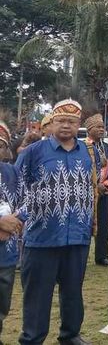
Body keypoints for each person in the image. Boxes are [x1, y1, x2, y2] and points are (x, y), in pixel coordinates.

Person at [17, 99, 95, 345]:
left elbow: (89, 187)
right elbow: (15, 187)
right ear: (50, 123)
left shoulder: (86, 151)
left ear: (79, 124)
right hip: (43, 235)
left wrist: (91, 222)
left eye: (72, 122)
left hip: (77, 235)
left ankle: (70, 335)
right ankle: (32, 339)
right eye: (61, 121)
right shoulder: (33, 152)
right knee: (38, 294)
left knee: (73, 291)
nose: (66, 126)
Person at [0, 121, 24, 344]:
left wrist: (15, 221)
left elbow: (28, 200)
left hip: (6, 252)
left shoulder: (11, 172)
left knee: (2, 302)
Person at [83, 113, 108, 267]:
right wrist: (95, 186)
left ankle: (101, 256)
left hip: (106, 192)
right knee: (85, 222)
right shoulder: (82, 147)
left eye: (103, 127)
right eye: (98, 127)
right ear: (89, 129)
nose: (102, 129)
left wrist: (106, 184)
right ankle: (81, 254)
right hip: (87, 192)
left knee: (104, 224)